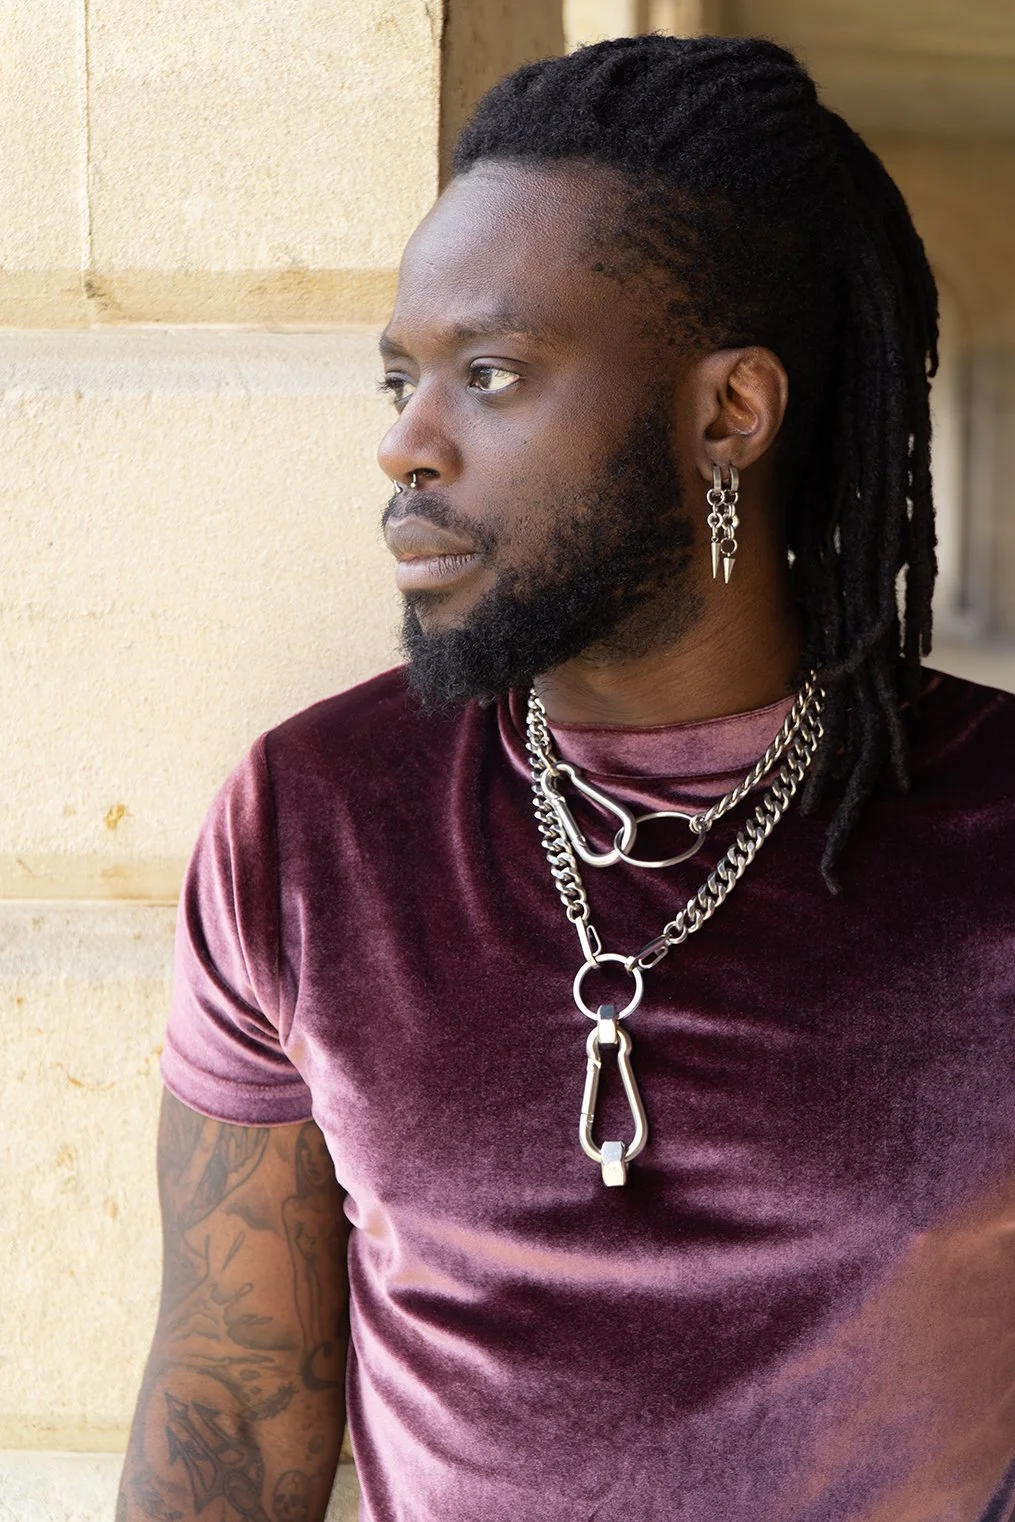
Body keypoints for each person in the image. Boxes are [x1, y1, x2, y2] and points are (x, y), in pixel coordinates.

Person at [117, 33, 1015, 1522]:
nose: (405, 444)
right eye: (400, 377)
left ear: (728, 414)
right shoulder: (314, 821)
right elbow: (226, 1388)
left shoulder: (991, 830)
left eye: (491, 374)